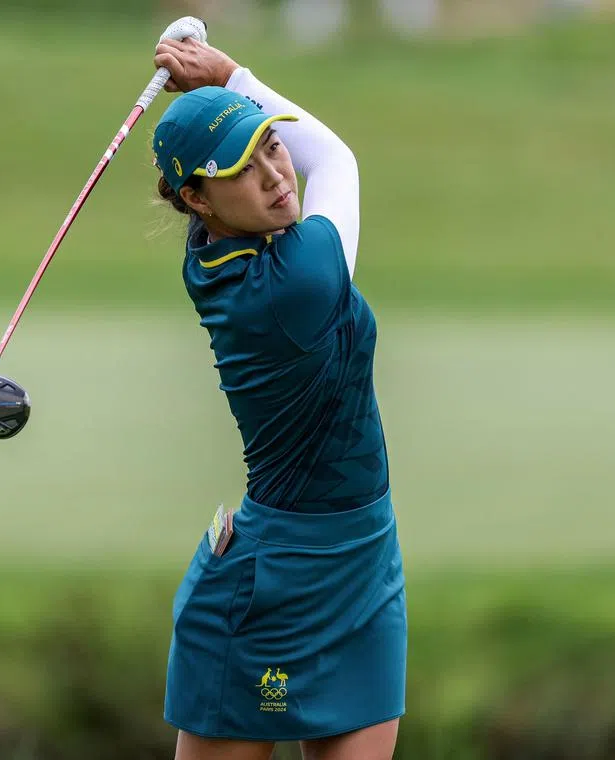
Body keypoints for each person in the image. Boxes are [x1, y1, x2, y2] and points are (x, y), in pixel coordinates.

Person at [150, 35, 407, 760]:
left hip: (364, 558)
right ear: (198, 198)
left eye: (270, 146)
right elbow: (338, 160)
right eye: (243, 167)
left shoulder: (216, 251)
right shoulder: (294, 283)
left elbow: (306, 163)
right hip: (273, 591)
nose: (276, 175)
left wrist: (228, 92)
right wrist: (235, 75)